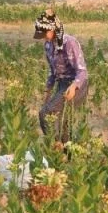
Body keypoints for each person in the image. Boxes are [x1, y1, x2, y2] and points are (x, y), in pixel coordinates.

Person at [34, 9, 88, 143]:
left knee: (45, 113)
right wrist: (48, 90)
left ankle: (55, 146)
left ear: (54, 30)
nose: (43, 36)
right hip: (62, 84)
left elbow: (82, 71)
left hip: (77, 84)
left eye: (45, 32)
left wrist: (74, 87)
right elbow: (52, 72)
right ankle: (65, 153)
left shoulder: (69, 43)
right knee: (63, 121)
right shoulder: (48, 45)